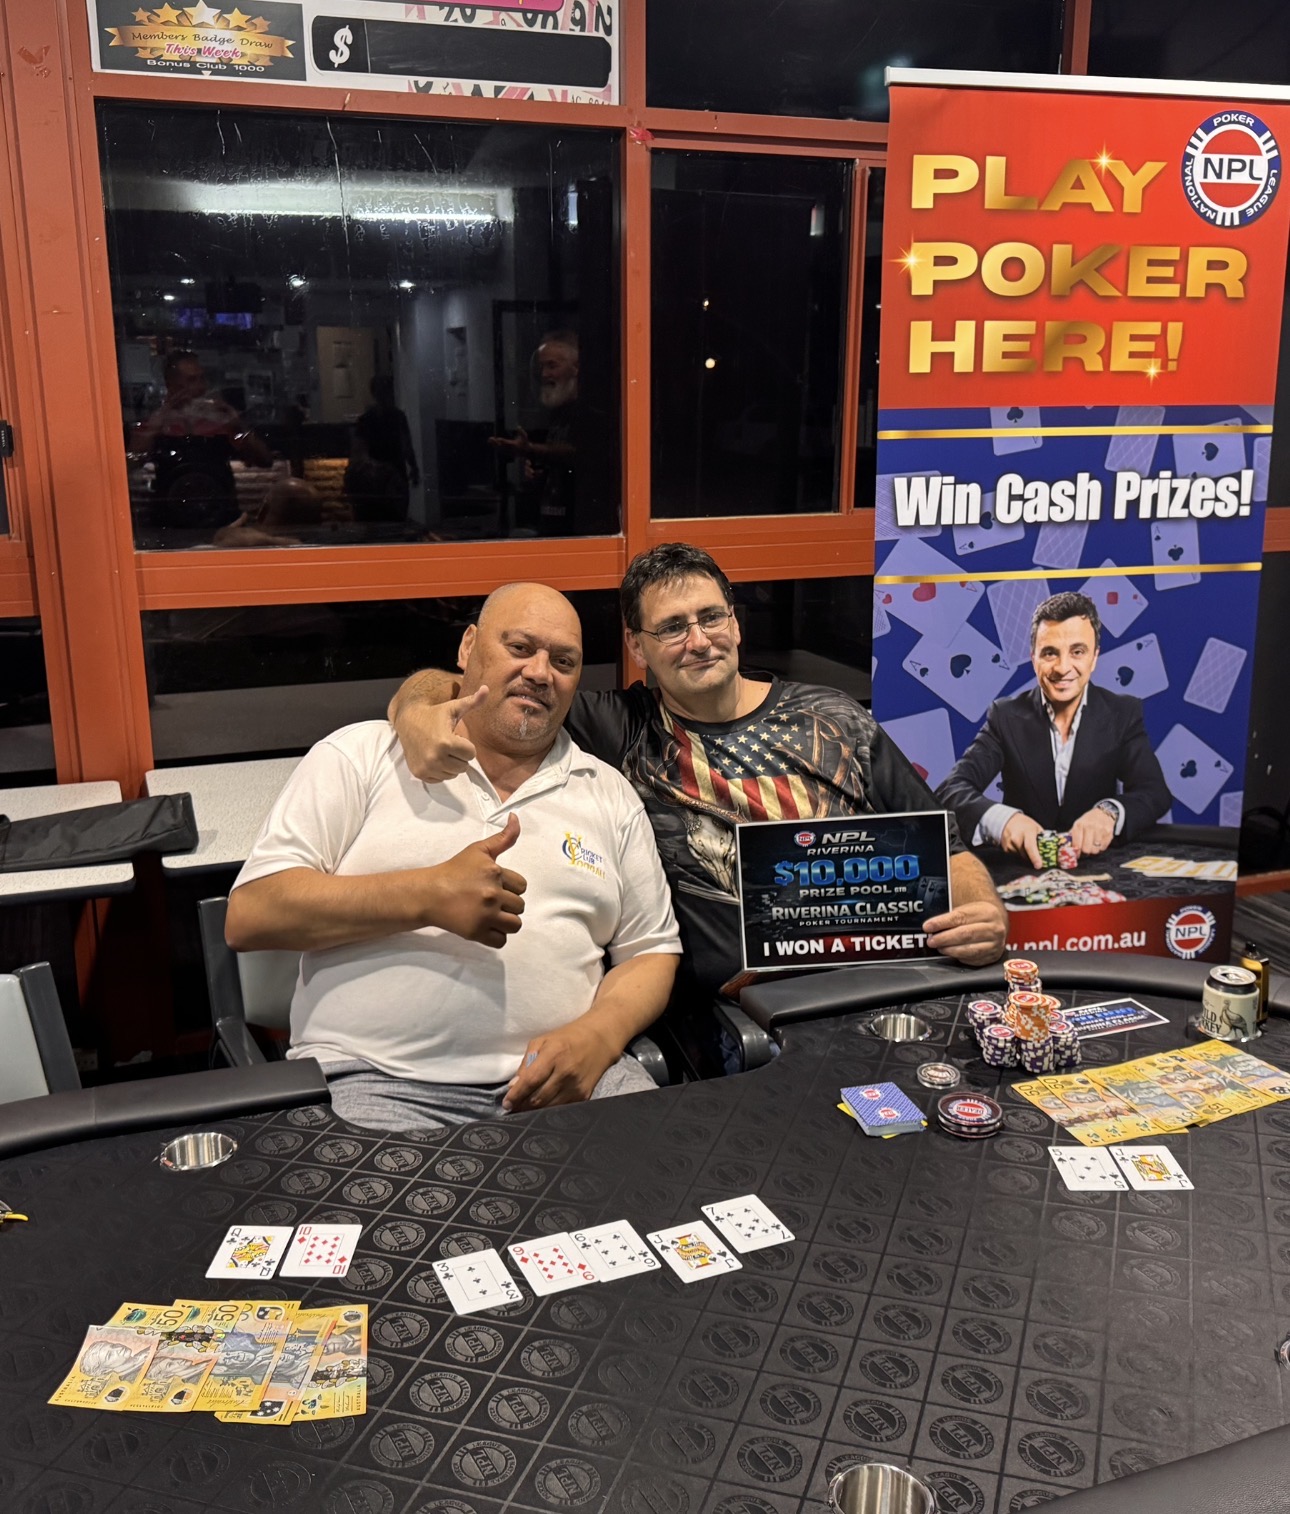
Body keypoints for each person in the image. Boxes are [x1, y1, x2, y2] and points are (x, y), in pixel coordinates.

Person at [390, 544, 1008, 1071]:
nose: (698, 641)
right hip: (747, 1026)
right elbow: (463, 687)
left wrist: (983, 911)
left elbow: (949, 849)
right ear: (637, 646)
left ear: (735, 624)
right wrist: (417, 715)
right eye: (671, 628)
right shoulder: (617, 726)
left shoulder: (836, 717)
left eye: (711, 617)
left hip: (891, 990)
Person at [226, 582, 680, 1132]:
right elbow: (252, 914)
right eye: (519, 648)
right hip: (374, 1081)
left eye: (564, 661)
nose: (540, 673)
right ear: (467, 648)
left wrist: (599, 1036)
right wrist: (427, 895)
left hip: (568, 1080)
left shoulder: (606, 792)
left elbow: (650, 950)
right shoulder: (363, 755)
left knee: (666, 1169)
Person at [937, 590, 1171, 869]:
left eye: (1077, 652)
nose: (1063, 668)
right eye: (1050, 653)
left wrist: (1109, 813)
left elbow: (1154, 792)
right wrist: (1003, 821)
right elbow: (950, 790)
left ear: (1094, 658)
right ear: (1033, 658)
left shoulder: (1122, 713)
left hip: (1100, 869)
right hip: (1021, 872)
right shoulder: (1005, 716)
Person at [131, 351, 273, 531]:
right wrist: (162, 417)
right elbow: (133, 460)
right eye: (192, 380)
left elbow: (264, 460)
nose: (201, 387)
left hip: (222, 516)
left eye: (202, 379)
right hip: (170, 519)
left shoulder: (219, 420)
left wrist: (236, 423)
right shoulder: (158, 422)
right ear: (171, 384)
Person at [490, 330, 578, 536]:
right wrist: (539, 471)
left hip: (579, 531)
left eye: (552, 366)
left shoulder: (592, 414)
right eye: (542, 367)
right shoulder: (558, 413)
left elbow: (579, 454)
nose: (544, 374)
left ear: (576, 368)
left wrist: (531, 450)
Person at [345, 375, 420, 525]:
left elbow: (359, 450)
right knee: (396, 518)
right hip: (393, 472)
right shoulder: (398, 417)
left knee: (376, 520)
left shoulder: (366, 419)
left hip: (376, 475)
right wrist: (413, 467)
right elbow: (406, 445)